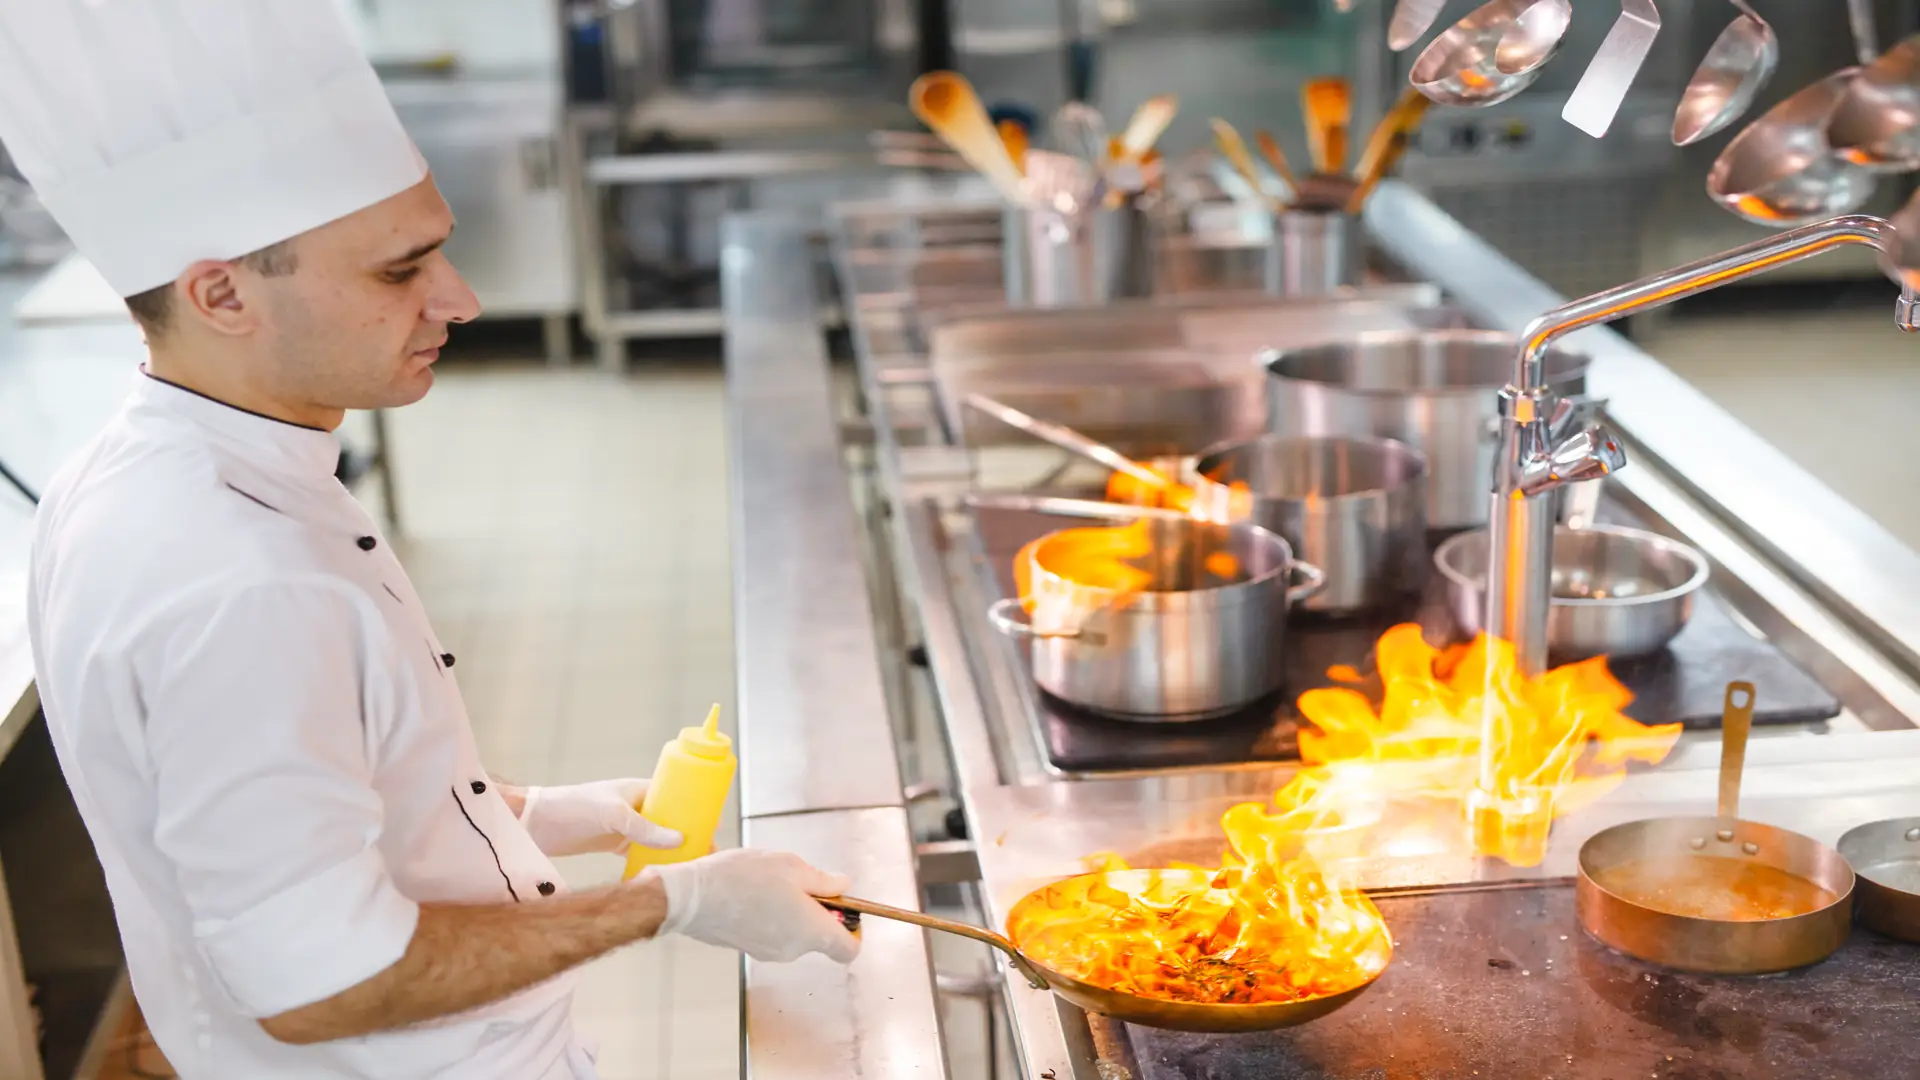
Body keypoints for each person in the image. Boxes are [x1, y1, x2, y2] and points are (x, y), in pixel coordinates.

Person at [0, 3, 858, 1077]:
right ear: (220, 293)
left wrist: (550, 815)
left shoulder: (162, 468)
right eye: (399, 272)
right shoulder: (241, 581)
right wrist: (670, 905)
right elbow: (324, 985)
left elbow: (326, 797)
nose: (459, 298)